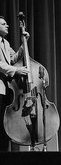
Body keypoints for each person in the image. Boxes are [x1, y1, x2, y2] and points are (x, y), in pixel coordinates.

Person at [0, 16, 29, 151]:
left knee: (5, 123)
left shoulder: (5, 43)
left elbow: (13, 59)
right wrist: (17, 70)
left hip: (7, 88)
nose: (7, 26)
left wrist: (24, 43)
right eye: (3, 24)